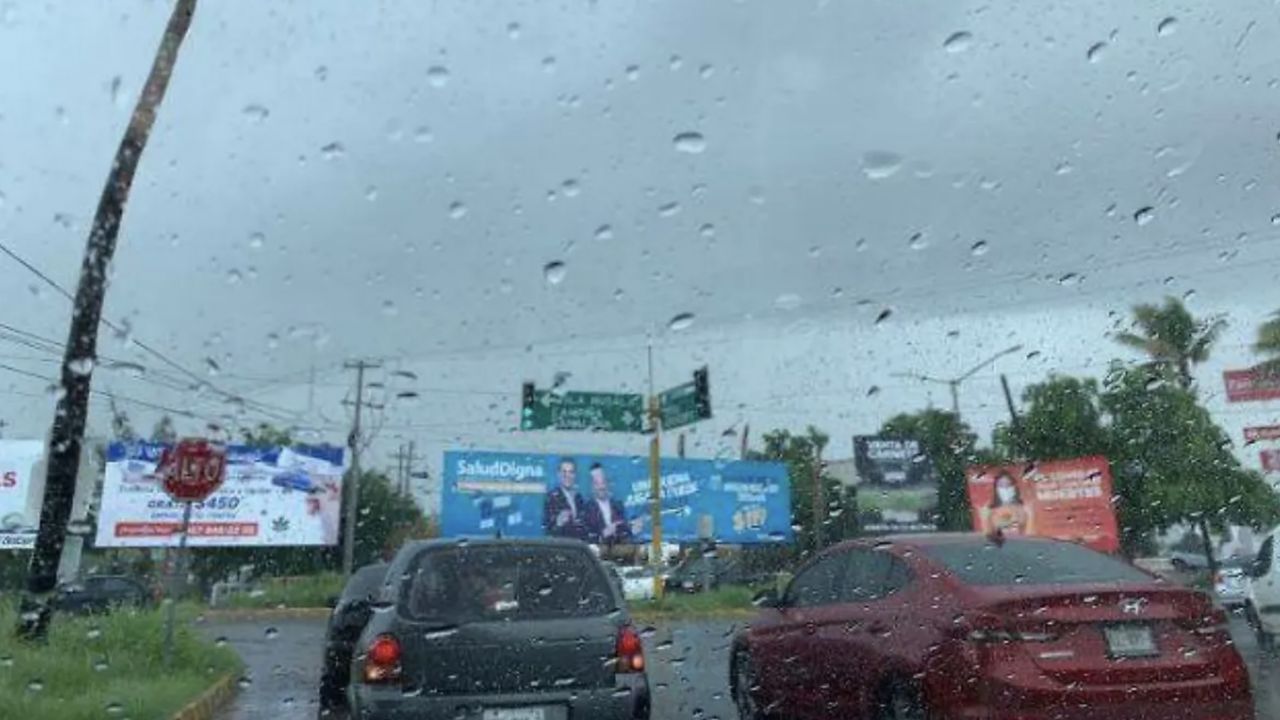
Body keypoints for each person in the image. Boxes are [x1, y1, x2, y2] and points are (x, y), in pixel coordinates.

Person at [583, 463, 631, 544]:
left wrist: (631, 529)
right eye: (597, 483)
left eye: (603, 482)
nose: (601, 487)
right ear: (591, 486)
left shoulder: (618, 506)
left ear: (608, 483)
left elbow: (626, 532)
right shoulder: (586, 509)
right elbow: (585, 537)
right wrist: (603, 535)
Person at [979, 470, 1035, 536]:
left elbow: (1030, 537)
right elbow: (987, 538)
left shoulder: (1023, 509)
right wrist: (984, 519)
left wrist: (1030, 515)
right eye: (1001, 485)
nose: (1005, 488)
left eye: (1008, 485)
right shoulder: (991, 511)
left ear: (1014, 487)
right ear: (996, 489)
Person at [543, 457, 586, 539]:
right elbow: (548, 531)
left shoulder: (579, 498)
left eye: (571, 472)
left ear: (575, 475)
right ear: (558, 474)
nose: (567, 476)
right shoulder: (551, 498)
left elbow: (583, 527)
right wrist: (558, 523)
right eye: (564, 472)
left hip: (578, 548)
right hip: (561, 548)